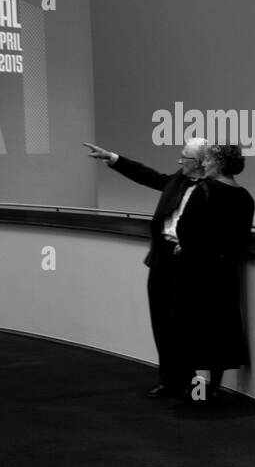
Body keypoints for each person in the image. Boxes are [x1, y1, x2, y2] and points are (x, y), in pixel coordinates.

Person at [86, 138, 210, 398]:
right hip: (162, 257)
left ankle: (191, 383)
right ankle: (169, 381)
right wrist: (113, 158)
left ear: (199, 163)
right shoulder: (178, 179)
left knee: (184, 323)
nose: (180, 162)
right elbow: (149, 177)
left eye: (185, 158)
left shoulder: (211, 190)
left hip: (187, 261)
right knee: (161, 320)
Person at [182, 143, 255, 402]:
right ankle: (214, 387)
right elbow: (241, 239)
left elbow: (185, 229)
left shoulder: (204, 190)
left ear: (220, 163)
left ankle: (196, 389)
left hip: (199, 270)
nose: (204, 164)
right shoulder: (246, 197)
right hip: (225, 272)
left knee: (194, 328)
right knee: (222, 328)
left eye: (209, 160)